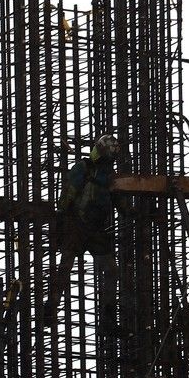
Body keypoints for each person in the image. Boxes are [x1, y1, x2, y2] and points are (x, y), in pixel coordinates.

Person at [42, 134, 122, 331]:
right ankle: (49, 311)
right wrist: (60, 219)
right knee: (65, 268)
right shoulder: (83, 169)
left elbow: (119, 200)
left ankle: (109, 318)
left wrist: (133, 212)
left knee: (111, 270)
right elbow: (68, 194)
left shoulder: (109, 176)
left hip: (96, 230)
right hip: (76, 225)